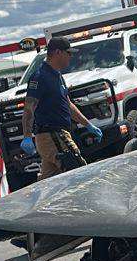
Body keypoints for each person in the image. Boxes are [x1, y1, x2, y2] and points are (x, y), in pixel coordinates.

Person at [20, 37, 102, 181]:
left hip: (58, 134)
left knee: (51, 181)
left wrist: (88, 125)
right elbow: (29, 108)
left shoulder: (57, 75)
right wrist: (27, 136)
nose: (70, 57)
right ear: (58, 52)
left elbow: (68, 105)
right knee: (78, 172)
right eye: (68, 53)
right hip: (52, 135)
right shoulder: (40, 77)